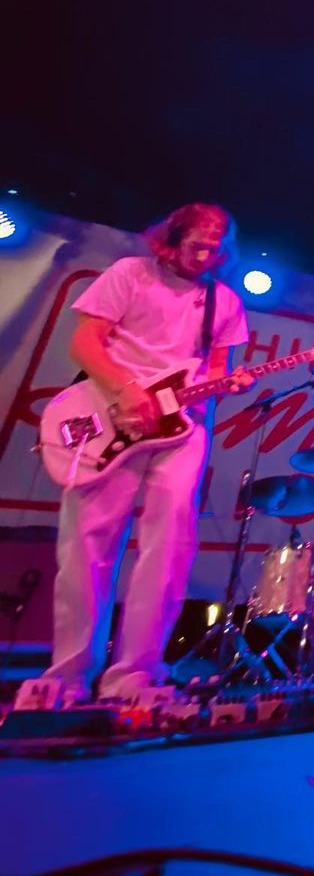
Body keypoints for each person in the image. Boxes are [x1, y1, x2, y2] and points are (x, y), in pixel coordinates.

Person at [18, 203, 253, 707]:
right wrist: (126, 391)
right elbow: (85, 344)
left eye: (215, 250)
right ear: (172, 239)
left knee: (170, 544)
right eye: (196, 246)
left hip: (182, 427)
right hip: (111, 412)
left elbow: (215, 370)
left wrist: (228, 383)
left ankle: (136, 673)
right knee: (87, 543)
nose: (205, 257)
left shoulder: (226, 302)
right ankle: (69, 675)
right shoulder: (131, 274)